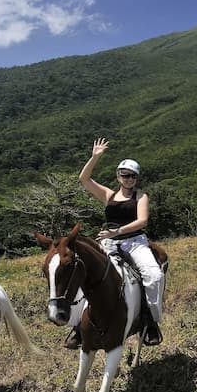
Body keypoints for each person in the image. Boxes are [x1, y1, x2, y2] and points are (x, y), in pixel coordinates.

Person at [76, 137, 165, 347]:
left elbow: (142, 221)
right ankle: (78, 325)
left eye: (133, 176)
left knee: (154, 276)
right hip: (109, 243)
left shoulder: (140, 196)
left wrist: (117, 231)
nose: (129, 179)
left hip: (135, 242)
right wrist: (95, 157)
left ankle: (150, 321)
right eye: (125, 175)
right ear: (118, 176)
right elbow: (84, 179)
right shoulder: (109, 195)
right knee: (81, 273)